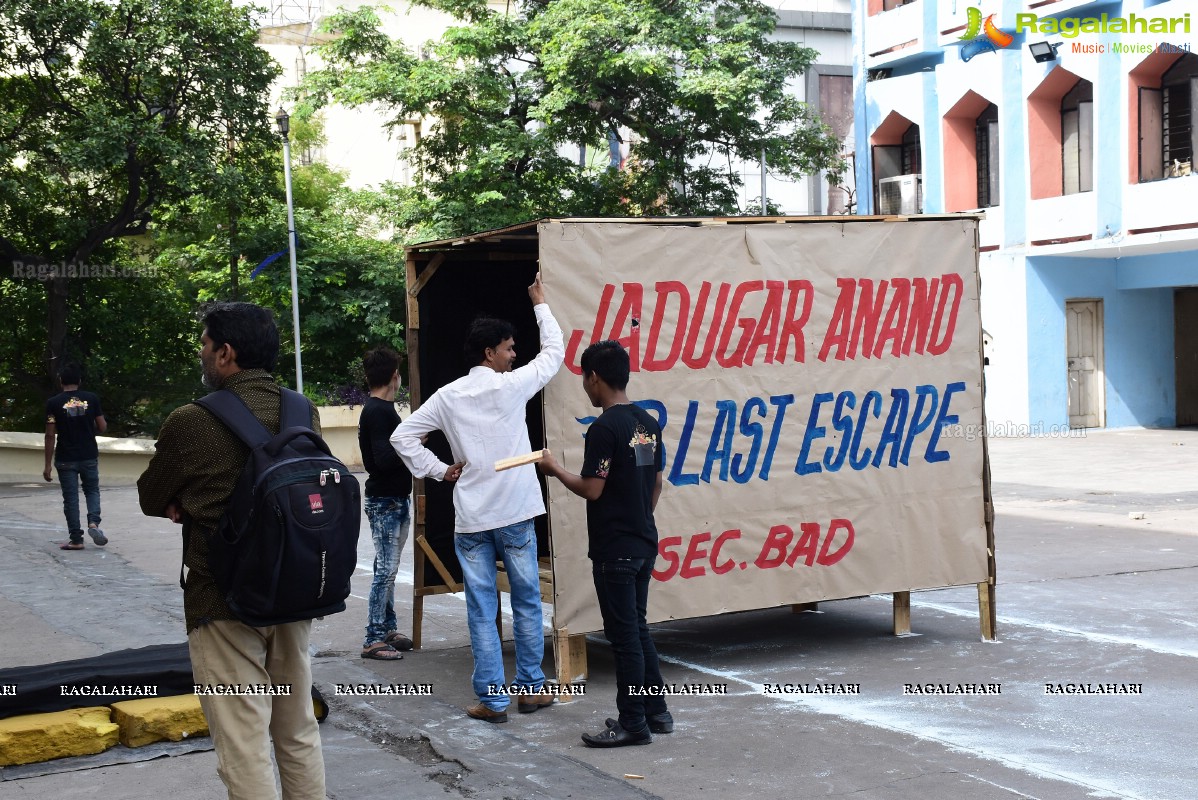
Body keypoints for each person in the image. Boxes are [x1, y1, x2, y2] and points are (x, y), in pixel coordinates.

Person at [137, 302, 325, 800]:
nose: (201, 353)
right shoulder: (303, 411)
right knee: (298, 729)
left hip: (222, 600)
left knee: (244, 742)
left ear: (226, 353)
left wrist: (186, 500)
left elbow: (150, 496)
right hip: (295, 589)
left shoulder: (191, 421)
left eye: (204, 344)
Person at [390, 273, 563, 723]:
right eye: (508, 347)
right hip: (518, 511)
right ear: (491, 352)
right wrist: (540, 303)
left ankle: (492, 699)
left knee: (482, 608)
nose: (514, 354)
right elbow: (554, 354)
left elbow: (403, 437)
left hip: (472, 517)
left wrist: (440, 472)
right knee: (526, 600)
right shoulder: (511, 386)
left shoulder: (448, 396)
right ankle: (531, 689)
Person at [538, 340, 673, 748]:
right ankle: (657, 711)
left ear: (594, 377)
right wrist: (640, 517)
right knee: (637, 627)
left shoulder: (603, 429)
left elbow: (592, 489)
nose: (585, 387)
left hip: (615, 548)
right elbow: (656, 482)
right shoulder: (648, 423)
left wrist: (553, 468)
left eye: (584, 379)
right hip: (643, 541)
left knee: (625, 636)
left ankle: (632, 721)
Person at [358, 346, 415, 660]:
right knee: (386, 571)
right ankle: (373, 637)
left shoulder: (378, 409)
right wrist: (413, 443)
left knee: (386, 568)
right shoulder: (379, 411)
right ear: (395, 376)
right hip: (386, 501)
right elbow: (381, 461)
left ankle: (387, 628)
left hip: (390, 500)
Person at [44, 363, 108, 551]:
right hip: (88, 454)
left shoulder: (53, 403)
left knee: (71, 498)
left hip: (65, 457)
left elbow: (50, 435)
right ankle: (94, 523)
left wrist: (47, 465)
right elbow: (102, 427)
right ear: (79, 381)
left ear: (61, 381)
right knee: (92, 491)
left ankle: (76, 540)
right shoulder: (92, 399)